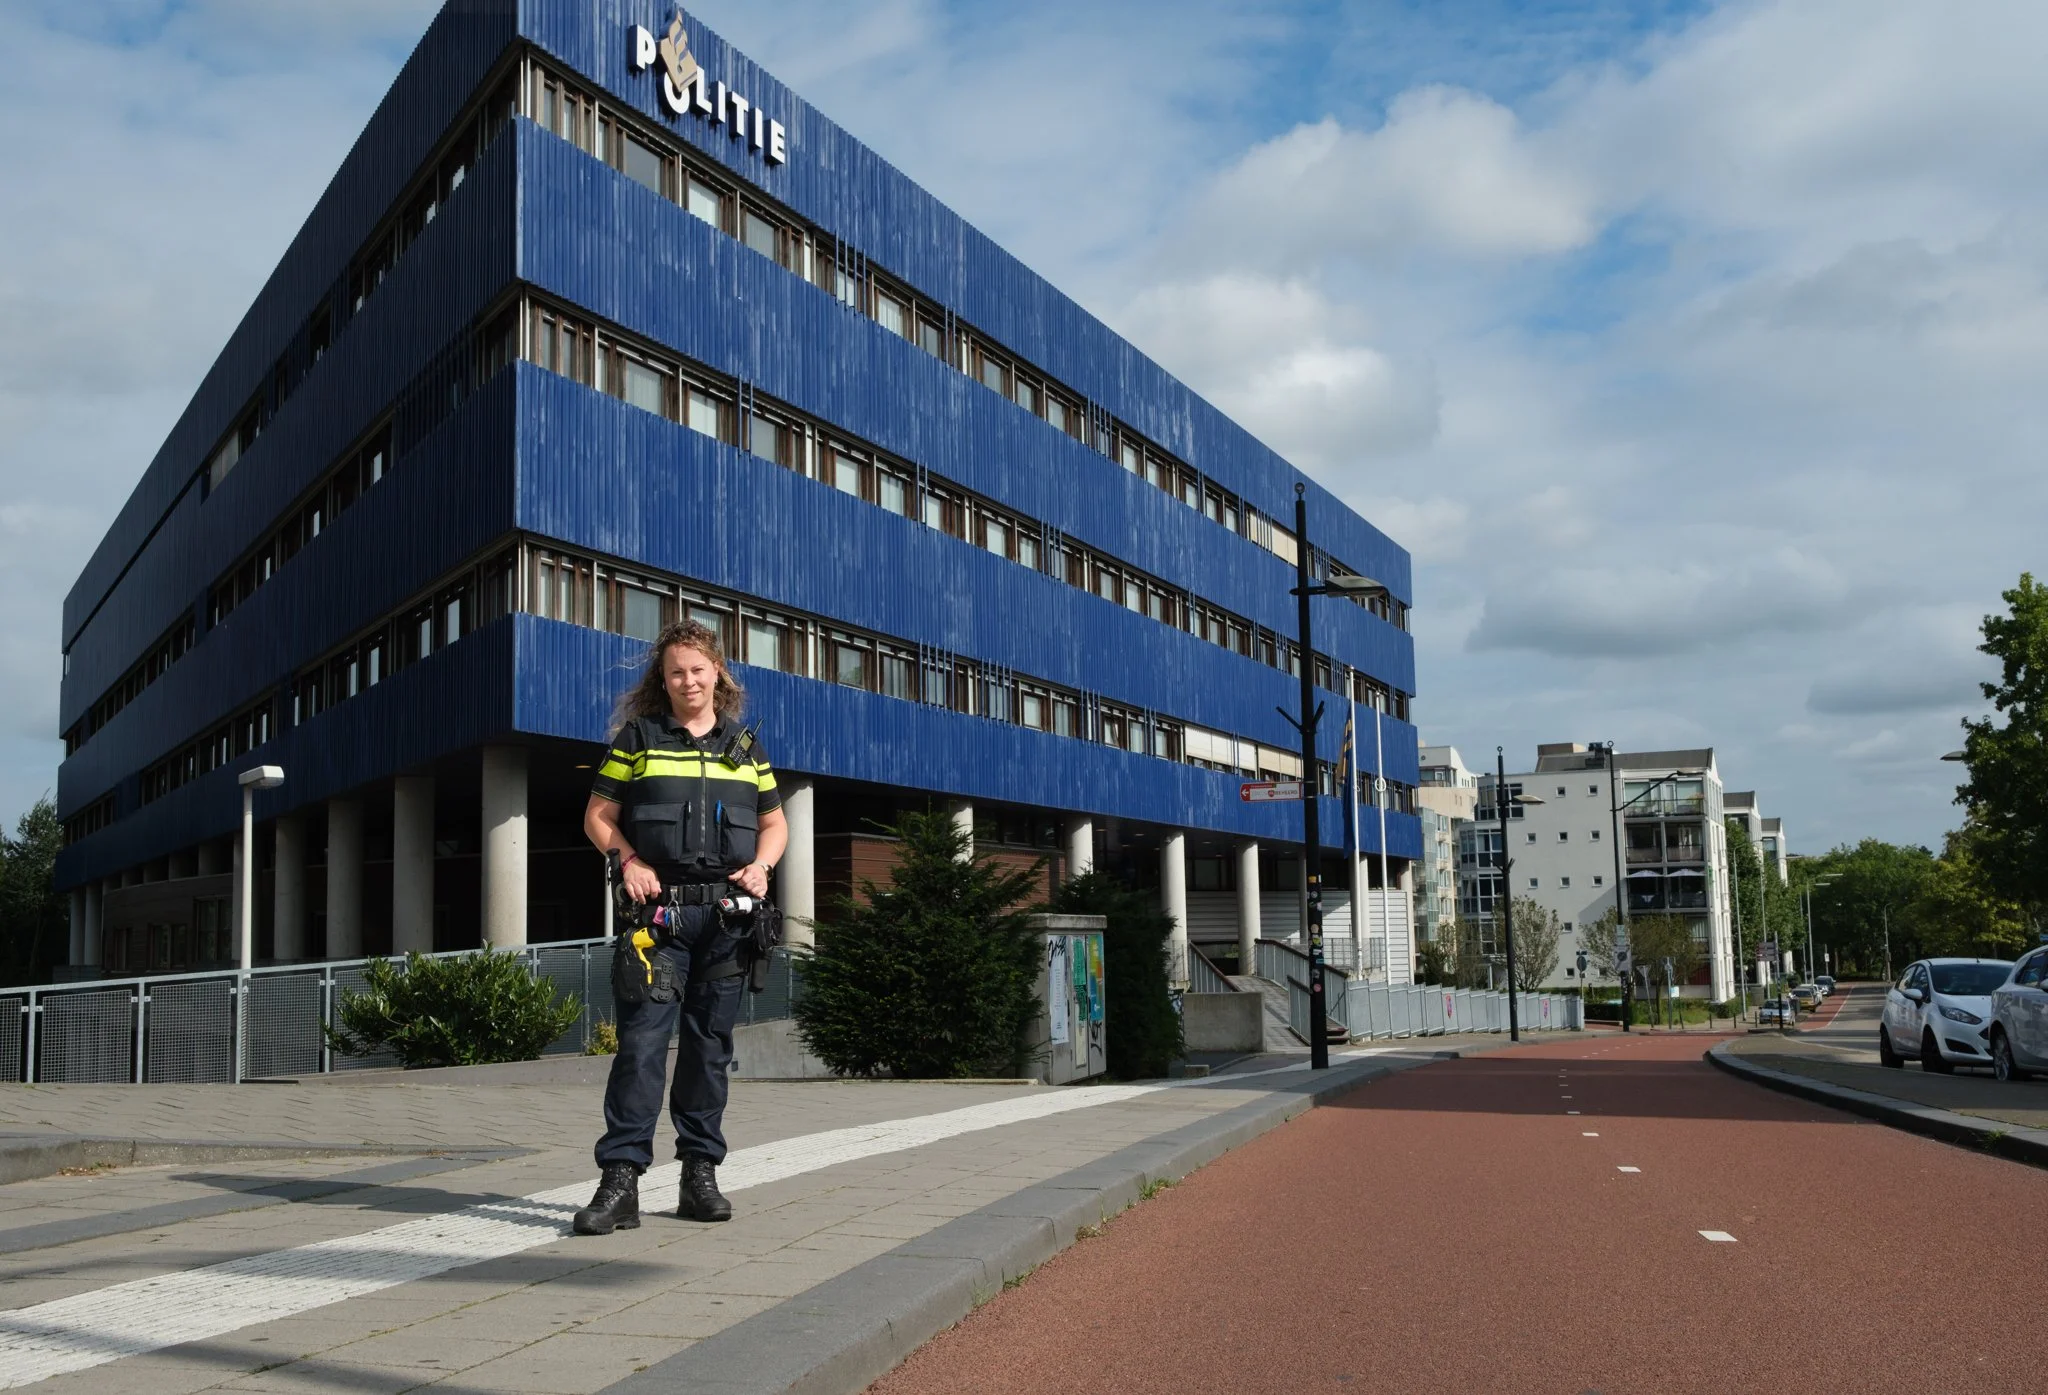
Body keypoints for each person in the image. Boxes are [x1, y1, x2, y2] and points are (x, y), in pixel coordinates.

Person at [572, 620, 787, 1235]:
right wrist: (628, 860)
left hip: (727, 921)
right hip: (659, 920)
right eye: (675, 672)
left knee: (708, 1051)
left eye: (698, 669)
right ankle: (620, 1184)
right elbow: (598, 816)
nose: (687, 680)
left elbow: (775, 825)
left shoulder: (745, 747)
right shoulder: (638, 738)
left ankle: (700, 1176)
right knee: (640, 1047)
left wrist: (763, 868)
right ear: (661, 680)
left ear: (718, 672)